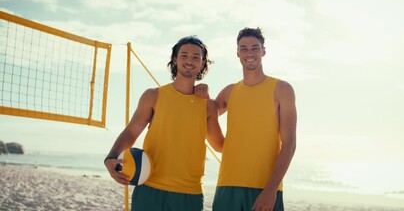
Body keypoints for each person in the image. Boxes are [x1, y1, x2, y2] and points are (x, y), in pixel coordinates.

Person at [104, 35, 224, 211]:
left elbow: (220, 145)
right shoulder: (153, 96)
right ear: (174, 59)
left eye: (195, 57)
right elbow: (132, 131)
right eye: (184, 55)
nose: (189, 60)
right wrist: (111, 158)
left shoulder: (208, 106)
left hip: (189, 193)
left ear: (203, 63)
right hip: (150, 188)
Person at [196, 27, 297, 211]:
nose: (249, 53)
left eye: (254, 48)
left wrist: (271, 189)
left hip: (264, 189)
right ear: (237, 53)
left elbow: (289, 144)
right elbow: (205, 116)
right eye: (244, 48)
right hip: (227, 185)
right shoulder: (230, 92)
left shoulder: (282, 90)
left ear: (263, 51)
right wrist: (202, 94)